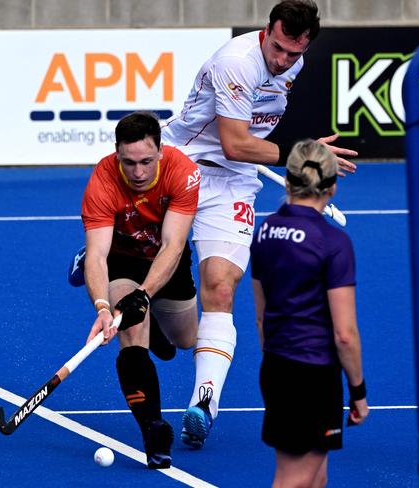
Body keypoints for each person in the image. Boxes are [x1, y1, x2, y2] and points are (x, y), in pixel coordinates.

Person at [159, 0, 358, 449]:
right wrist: (300, 155)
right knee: (163, 306)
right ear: (266, 29)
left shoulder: (294, 63)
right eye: (280, 47)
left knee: (222, 285)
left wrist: (290, 151)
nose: (284, 59)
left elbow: (245, 149)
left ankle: (203, 405)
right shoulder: (238, 62)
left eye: (295, 52)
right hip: (180, 165)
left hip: (234, 181)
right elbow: (233, 142)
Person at [80, 111, 201, 469]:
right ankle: (153, 428)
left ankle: (154, 323)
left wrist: (144, 295)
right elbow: (99, 256)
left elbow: (174, 246)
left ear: (160, 152)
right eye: (128, 162)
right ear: (116, 154)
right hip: (122, 257)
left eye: (146, 161)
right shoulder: (101, 181)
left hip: (165, 257)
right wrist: (104, 307)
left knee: (185, 340)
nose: (138, 172)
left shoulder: (183, 172)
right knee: (131, 331)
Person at [250, 139, 368, 487]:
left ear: (287, 182)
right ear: (332, 187)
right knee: (295, 480)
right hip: (313, 374)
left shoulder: (264, 233)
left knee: (316, 478)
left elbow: (262, 316)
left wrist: (276, 365)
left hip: (276, 367)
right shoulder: (333, 243)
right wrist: (358, 391)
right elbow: (344, 333)